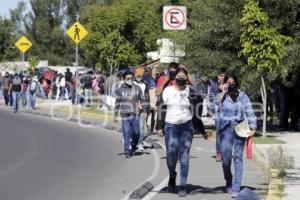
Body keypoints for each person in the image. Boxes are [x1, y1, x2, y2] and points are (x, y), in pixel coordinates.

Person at [158, 67, 207, 197]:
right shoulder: (167, 91)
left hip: (186, 126)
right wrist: (159, 126)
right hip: (170, 126)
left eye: (183, 76)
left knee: (184, 157)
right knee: (171, 155)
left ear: (186, 78)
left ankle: (183, 185)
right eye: (178, 76)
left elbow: (197, 112)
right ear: (174, 78)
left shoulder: (191, 92)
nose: (181, 78)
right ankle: (172, 174)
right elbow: (161, 108)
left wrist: (201, 129)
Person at [213, 73, 256, 198]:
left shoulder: (243, 97)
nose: (231, 85)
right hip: (225, 130)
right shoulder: (222, 96)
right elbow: (213, 109)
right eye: (229, 83)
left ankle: (236, 187)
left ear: (237, 84)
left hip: (239, 129)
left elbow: (250, 111)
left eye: (233, 83)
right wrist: (222, 93)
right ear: (225, 84)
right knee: (226, 160)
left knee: (238, 158)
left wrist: (253, 127)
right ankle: (229, 180)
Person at [114, 71, 143, 158]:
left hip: (135, 114)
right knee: (126, 132)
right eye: (128, 78)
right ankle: (127, 150)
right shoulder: (120, 90)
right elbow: (117, 102)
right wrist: (115, 115)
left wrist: (145, 110)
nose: (130, 80)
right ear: (124, 79)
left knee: (137, 132)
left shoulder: (137, 88)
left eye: (131, 78)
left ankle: (133, 145)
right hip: (124, 114)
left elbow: (142, 99)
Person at [209, 68, 227, 162]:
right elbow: (212, 99)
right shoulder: (214, 86)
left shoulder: (229, 86)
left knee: (228, 133)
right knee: (219, 133)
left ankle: (226, 151)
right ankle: (219, 152)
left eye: (223, 76)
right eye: (220, 75)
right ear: (218, 77)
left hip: (228, 113)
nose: (222, 77)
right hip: (218, 113)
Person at [134, 67, 150, 151]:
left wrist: (147, 109)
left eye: (140, 75)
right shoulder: (131, 83)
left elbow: (147, 97)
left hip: (142, 108)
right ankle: (132, 141)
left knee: (141, 127)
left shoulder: (145, 84)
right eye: (137, 75)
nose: (139, 77)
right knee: (133, 127)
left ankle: (140, 143)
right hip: (133, 109)